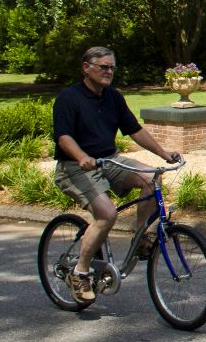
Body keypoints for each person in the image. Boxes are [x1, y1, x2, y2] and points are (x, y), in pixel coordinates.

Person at [52, 46, 181, 303]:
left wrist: (163, 154)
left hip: (108, 160)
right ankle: (80, 273)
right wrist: (81, 157)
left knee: (151, 177)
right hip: (75, 166)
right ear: (86, 68)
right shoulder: (69, 98)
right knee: (107, 214)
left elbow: (135, 130)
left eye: (112, 67)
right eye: (103, 67)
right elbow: (63, 137)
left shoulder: (113, 97)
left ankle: (140, 236)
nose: (109, 71)